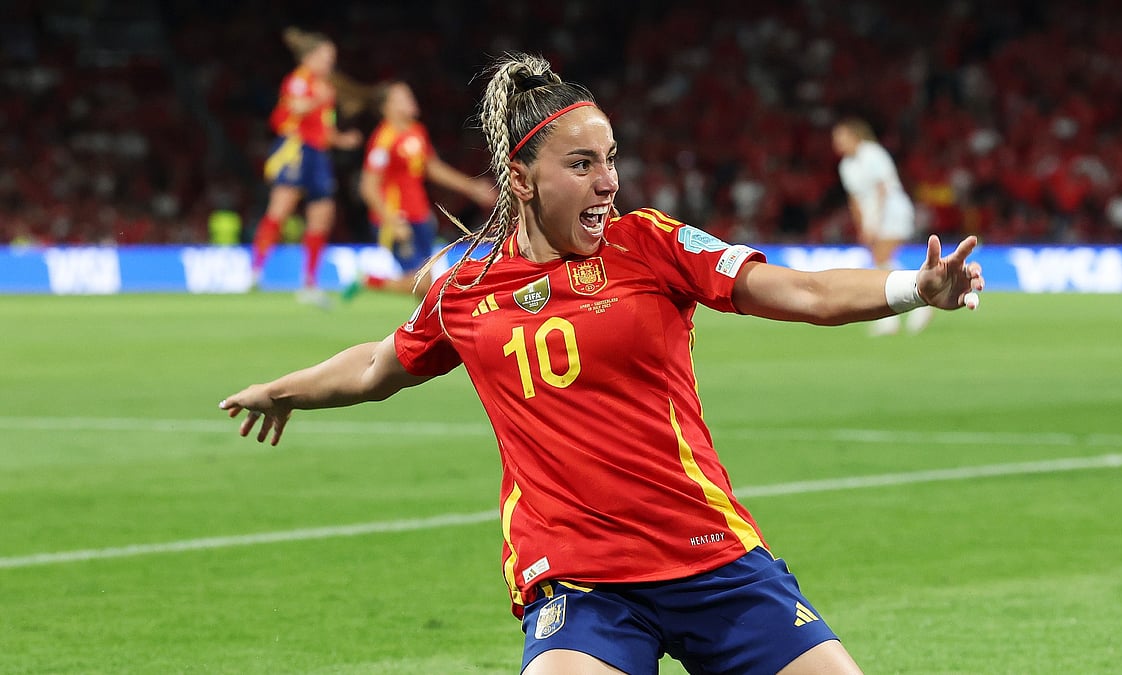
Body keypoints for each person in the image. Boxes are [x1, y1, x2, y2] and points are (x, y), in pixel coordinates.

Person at [220, 53, 985, 675]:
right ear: (521, 180)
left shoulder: (650, 243)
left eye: (611, 160)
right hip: (582, 583)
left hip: (711, 557)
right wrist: (285, 389)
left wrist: (913, 287)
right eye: (582, 164)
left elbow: (802, 290)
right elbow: (379, 364)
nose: (608, 182)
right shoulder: (468, 288)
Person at [343, 82, 496, 300]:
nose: (411, 100)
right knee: (423, 284)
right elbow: (368, 187)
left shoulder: (417, 131)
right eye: (403, 97)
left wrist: (472, 188)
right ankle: (368, 280)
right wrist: (391, 220)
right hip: (399, 218)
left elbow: (433, 168)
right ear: (387, 107)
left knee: (425, 288)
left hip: (422, 217)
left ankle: (423, 330)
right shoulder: (384, 139)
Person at [251, 27, 363, 306]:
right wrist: (319, 98)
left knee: (323, 214)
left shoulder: (324, 86)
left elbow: (323, 129)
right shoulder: (299, 80)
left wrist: (342, 139)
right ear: (309, 58)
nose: (330, 63)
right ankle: (254, 272)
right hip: (296, 150)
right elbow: (296, 108)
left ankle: (309, 283)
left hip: (319, 153)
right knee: (280, 209)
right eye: (326, 57)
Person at [832, 118, 935, 335]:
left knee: (881, 258)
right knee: (881, 261)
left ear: (854, 136)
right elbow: (855, 200)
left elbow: (882, 189)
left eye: (841, 137)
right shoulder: (846, 166)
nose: (837, 143)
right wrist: (862, 226)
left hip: (892, 211)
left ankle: (914, 302)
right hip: (872, 217)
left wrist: (874, 222)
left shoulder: (872, 153)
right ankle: (917, 298)